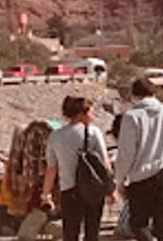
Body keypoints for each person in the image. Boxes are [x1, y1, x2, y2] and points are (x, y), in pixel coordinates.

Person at [41, 96, 111, 241]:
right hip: (94, 189)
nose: (94, 115)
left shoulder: (56, 136)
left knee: (70, 233)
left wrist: (46, 194)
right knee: (92, 233)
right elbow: (105, 163)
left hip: (69, 190)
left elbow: (51, 168)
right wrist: (111, 188)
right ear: (80, 114)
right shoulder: (93, 132)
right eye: (91, 112)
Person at [115, 78, 163, 241]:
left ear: (134, 94)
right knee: (162, 226)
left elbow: (126, 152)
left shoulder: (131, 116)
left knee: (138, 224)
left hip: (142, 176)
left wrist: (120, 179)